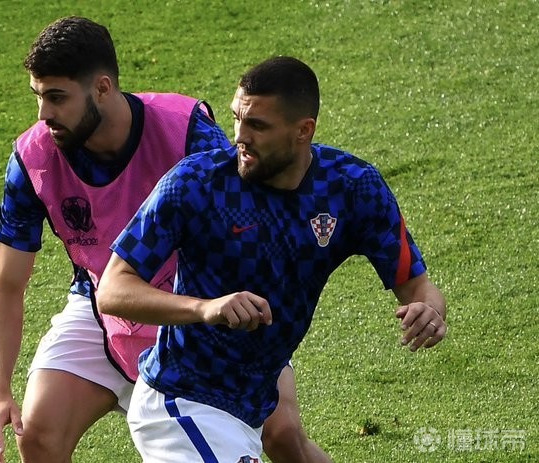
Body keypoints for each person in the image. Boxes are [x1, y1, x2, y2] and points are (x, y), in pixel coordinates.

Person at [0, 17, 331, 463]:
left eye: (57, 98)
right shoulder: (34, 160)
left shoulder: (185, 132)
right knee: (37, 434)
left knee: (283, 435)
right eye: (39, 96)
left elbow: (248, 226)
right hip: (104, 301)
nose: (44, 114)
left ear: (102, 88)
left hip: (200, 295)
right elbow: (6, 285)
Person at [96, 55, 448, 461]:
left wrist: (429, 312)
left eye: (257, 126)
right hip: (181, 403)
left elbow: (418, 287)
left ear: (303, 130)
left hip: (253, 406)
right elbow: (112, 290)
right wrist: (205, 308)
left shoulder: (352, 188)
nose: (239, 137)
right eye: (237, 118)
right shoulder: (196, 184)